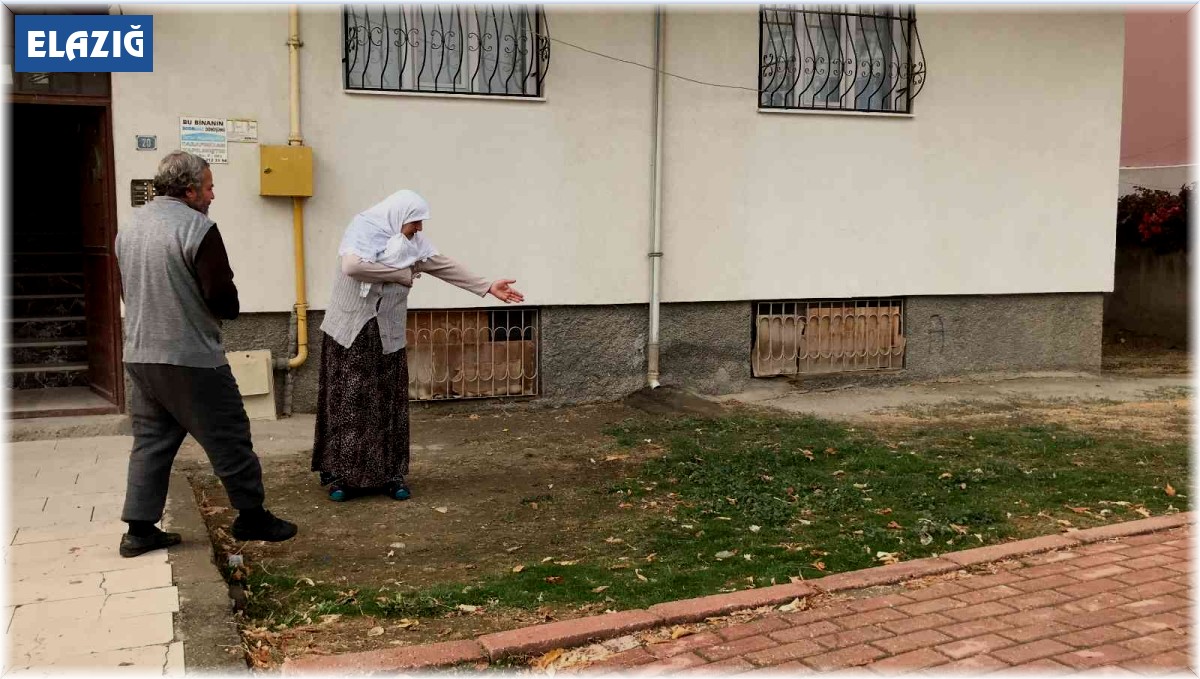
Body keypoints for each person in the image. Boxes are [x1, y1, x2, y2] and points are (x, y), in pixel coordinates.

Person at [115, 151, 297, 558]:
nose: (213, 195)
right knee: (229, 435)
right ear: (190, 189)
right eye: (210, 186)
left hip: (140, 354)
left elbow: (129, 290)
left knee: (151, 441)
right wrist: (224, 310)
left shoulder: (130, 228)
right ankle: (252, 517)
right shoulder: (198, 227)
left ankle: (139, 529)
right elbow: (220, 295)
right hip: (191, 356)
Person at [312, 190, 523, 502]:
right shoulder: (363, 229)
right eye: (416, 221)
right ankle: (343, 476)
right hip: (350, 332)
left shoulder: (413, 246)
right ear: (399, 216)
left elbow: (443, 265)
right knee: (350, 403)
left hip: (387, 334)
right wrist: (400, 274)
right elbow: (353, 267)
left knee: (388, 404)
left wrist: (487, 286)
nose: (420, 228)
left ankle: (390, 474)